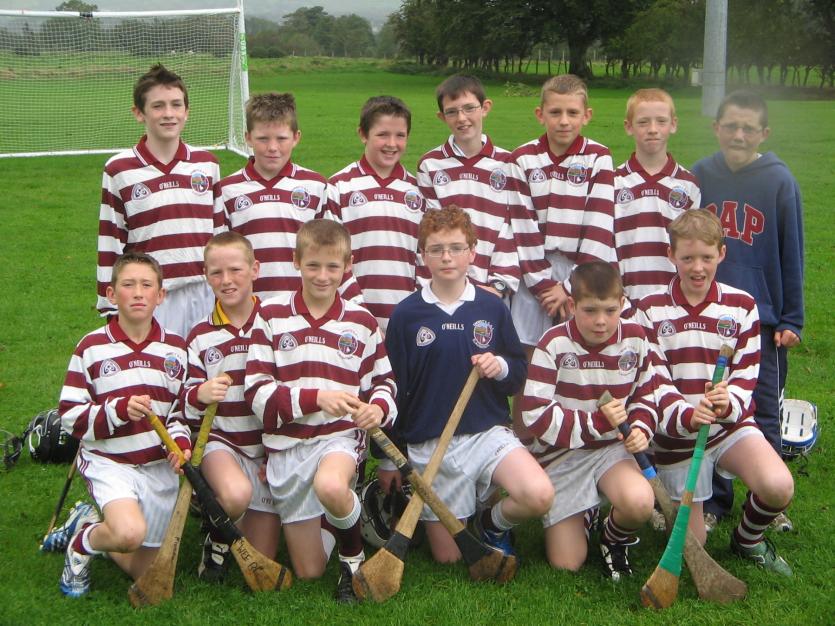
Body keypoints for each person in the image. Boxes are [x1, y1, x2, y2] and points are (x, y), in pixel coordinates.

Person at [383, 206, 554, 563]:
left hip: (486, 433)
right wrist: (390, 463)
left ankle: (492, 522)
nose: (447, 257)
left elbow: (518, 375)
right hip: (431, 443)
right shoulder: (406, 315)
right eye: (436, 249)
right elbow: (394, 388)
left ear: (472, 252)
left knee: (538, 495)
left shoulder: (491, 308)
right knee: (449, 558)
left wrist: (501, 365)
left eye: (457, 247)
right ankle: (467, 503)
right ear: (422, 255)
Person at [634, 209, 794, 575]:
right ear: (671, 255)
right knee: (696, 546)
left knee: (778, 486)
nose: (697, 267)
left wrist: (728, 402)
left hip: (727, 428)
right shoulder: (648, 310)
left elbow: (747, 373)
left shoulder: (741, 306)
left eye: (707, 257)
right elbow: (654, 382)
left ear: (722, 253)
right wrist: (688, 416)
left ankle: (748, 539)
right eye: (687, 257)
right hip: (677, 439)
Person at [245, 219, 397, 603]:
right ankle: (343, 514)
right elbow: (257, 393)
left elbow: (385, 383)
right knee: (309, 570)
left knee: (330, 485)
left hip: (338, 439)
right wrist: (315, 398)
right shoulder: (271, 316)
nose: (322, 275)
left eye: (333, 266)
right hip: (287, 448)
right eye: (313, 265)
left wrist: (377, 409)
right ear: (296, 261)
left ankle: (353, 561)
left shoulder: (361, 322)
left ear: (348, 266)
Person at [46, 252, 190, 597]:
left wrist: (180, 443)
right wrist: (117, 410)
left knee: (142, 569)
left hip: (157, 468)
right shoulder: (92, 347)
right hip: (111, 461)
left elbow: (182, 413)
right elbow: (70, 417)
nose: (138, 293)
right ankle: (81, 546)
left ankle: (87, 521)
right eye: (128, 285)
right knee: (127, 535)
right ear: (112, 295)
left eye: (146, 285)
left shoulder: (177, 349)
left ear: (161, 295)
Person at [692, 90, 804, 533]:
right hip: (708, 313)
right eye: (731, 126)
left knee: (762, 408)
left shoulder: (778, 181)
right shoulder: (700, 175)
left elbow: (791, 249)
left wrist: (791, 317)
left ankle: (767, 502)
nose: (739, 135)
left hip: (761, 319)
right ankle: (716, 502)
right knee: (712, 401)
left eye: (748, 128)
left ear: (763, 133)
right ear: (716, 127)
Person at [521, 262, 669, 581]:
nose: (601, 321)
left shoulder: (636, 339)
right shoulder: (553, 343)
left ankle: (613, 538)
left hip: (611, 452)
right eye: (590, 310)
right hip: (562, 455)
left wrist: (641, 428)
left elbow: (647, 395)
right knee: (567, 563)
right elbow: (535, 414)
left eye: (610, 310)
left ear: (623, 304)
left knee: (640, 503)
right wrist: (596, 423)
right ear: (572, 305)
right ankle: (587, 510)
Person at [507, 74, 615, 438]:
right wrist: (543, 286)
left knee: (573, 361)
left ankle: (571, 444)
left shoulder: (599, 158)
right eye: (555, 112)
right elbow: (521, 225)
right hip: (532, 274)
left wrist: (570, 288)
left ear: (587, 114)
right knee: (529, 363)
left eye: (572, 112)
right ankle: (524, 445)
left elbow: (600, 226)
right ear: (540, 114)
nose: (563, 121)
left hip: (581, 275)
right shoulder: (522, 158)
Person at [181, 232, 281, 582]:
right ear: (206, 275)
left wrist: (276, 451)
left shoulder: (276, 323)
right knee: (236, 494)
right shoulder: (199, 337)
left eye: (236, 270)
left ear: (255, 269)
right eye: (216, 273)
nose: (226, 281)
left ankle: (220, 520)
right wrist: (200, 394)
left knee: (260, 554)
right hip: (223, 442)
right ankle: (216, 533)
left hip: (268, 447)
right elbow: (184, 403)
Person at [96, 64, 223, 338]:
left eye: (176, 105)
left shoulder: (207, 164)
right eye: (158, 106)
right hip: (152, 297)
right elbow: (110, 240)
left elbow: (220, 234)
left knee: (208, 375)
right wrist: (110, 306)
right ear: (138, 113)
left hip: (205, 292)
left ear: (187, 112)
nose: (168, 114)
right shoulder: (119, 169)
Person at [216, 92, 361, 303]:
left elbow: (334, 250)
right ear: (248, 138)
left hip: (302, 310)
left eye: (281, 138)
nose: (272, 147)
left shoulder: (315, 186)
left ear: (296, 137)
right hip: (248, 309)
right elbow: (222, 256)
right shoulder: (228, 190)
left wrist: (355, 304)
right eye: (263, 139)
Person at [326, 95, 426, 334]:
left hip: (408, 319)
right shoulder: (338, 187)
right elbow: (332, 257)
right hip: (351, 318)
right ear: (363, 134)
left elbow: (425, 257)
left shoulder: (419, 191)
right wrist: (360, 313)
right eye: (382, 134)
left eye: (400, 135)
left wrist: (417, 309)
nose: (391, 143)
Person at [416, 74, 521, 298]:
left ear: (485, 107)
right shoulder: (430, 165)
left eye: (469, 108)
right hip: (448, 289)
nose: (461, 118)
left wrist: (499, 285)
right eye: (452, 111)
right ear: (442, 117)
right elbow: (431, 232)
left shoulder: (508, 163)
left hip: (493, 289)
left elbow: (511, 228)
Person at [615, 88, 700, 304]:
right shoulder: (613, 182)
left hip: (672, 301)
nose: (653, 129)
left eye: (661, 121)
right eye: (643, 122)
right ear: (628, 127)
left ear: (673, 124)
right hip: (623, 300)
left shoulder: (688, 185)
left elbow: (692, 246)